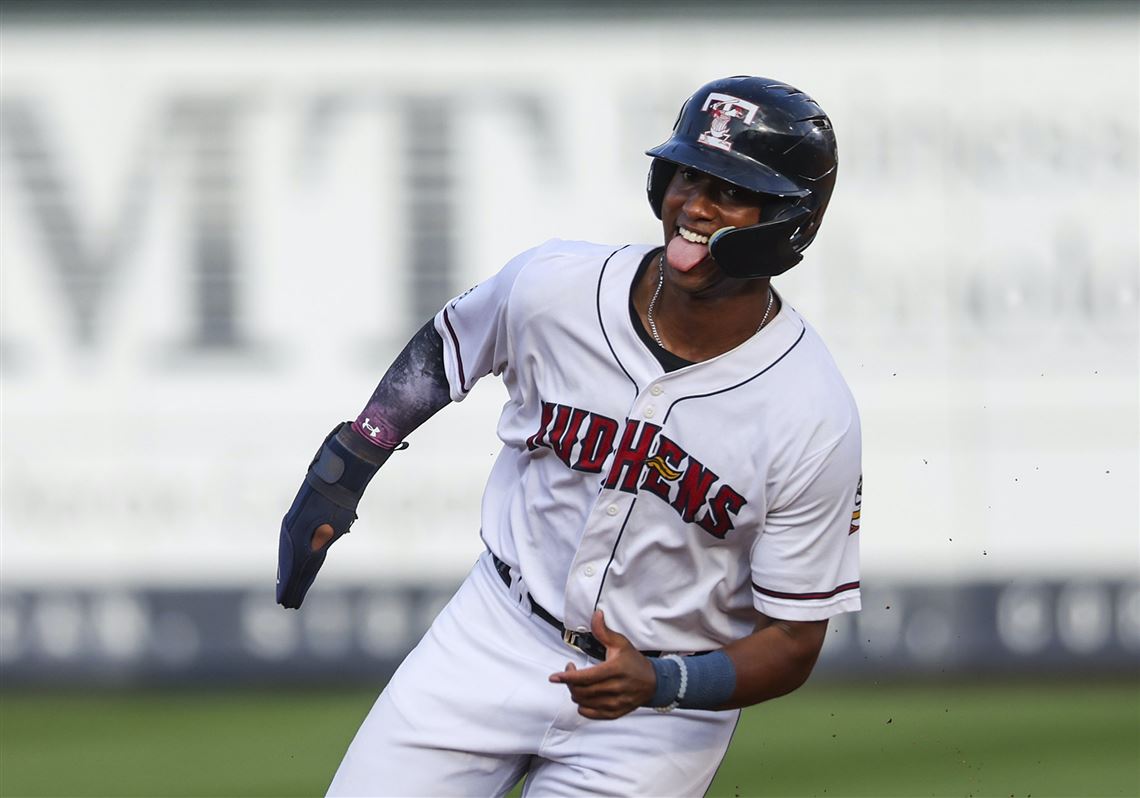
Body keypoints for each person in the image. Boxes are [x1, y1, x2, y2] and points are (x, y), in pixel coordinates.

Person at [277, 75, 862, 797]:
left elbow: (795, 641)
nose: (695, 206)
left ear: (790, 220)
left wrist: (662, 682)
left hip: (659, 716)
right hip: (494, 635)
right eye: (688, 175)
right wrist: (345, 468)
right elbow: (445, 349)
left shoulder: (811, 413)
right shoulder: (557, 286)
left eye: (731, 191)